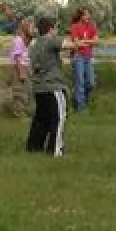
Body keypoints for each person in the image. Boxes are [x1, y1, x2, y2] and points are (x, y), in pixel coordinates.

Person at [26, 16, 77, 156]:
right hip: (53, 87)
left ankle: (34, 147)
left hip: (38, 87)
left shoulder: (34, 44)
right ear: (51, 29)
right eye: (56, 28)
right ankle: (55, 149)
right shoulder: (50, 40)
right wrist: (77, 38)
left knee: (41, 119)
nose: (57, 31)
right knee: (59, 118)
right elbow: (70, 45)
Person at [68, 7, 99, 112]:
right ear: (81, 16)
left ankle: (83, 100)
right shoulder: (75, 27)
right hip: (78, 56)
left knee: (91, 82)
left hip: (88, 57)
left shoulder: (91, 26)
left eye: (89, 14)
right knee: (80, 81)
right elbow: (77, 43)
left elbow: (96, 41)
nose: (88, 17)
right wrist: (89, 41)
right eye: (86, 15)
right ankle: (81, 107)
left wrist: (84, 41)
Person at [9, 18, 35, 118]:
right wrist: (21, 73)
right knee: (19, 91)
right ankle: (19, 114)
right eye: (31, 27)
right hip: (19, 68)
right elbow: (17, 58)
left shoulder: (26, 40)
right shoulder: (18, 40)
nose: (33, 30)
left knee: (26, 90)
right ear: (25, 28)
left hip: (25, 67)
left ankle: (25, 111)